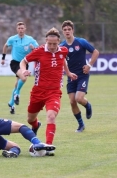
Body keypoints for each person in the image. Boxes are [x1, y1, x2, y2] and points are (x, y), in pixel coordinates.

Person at [17, 27, 78, 156]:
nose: (51, 46)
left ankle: (48, 146)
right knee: (30, 119)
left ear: (59, 42)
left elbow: (63, 61)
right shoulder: (39, 51)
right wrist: (23, 71)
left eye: (54, 44)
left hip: (54, 92)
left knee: (51, 116)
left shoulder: (63, 50)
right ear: (46, 41)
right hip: (38, 91)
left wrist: (68, 73)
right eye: (49, 43)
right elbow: (23, 61)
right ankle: (36, 124)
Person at [60, 20, 100, 133]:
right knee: (72, 101)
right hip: (71, 76)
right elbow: (60, 61)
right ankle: (81, 125)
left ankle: (88, 106)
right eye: (65, 30)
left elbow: (96, 52)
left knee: (78, 98)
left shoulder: (81, 42)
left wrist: (89, 65)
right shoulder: (62, 46)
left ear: (73, 30)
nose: (67, 31)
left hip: (83, 75)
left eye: (69, 29)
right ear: (63, 32)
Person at [1, 21, 39, 114]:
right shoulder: (12, 39)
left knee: (18, 82)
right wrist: (3, 58)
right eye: (19, 28)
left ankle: (12, 104)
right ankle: (17, 94)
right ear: (16, 29)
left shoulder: (30, 39)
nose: (20, 30)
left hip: (25, 63)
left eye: (22, 28)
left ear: (25, 29)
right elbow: (5, 46)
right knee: (23, 77)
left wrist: (33, 48)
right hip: (15, 63)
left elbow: (38, 49)